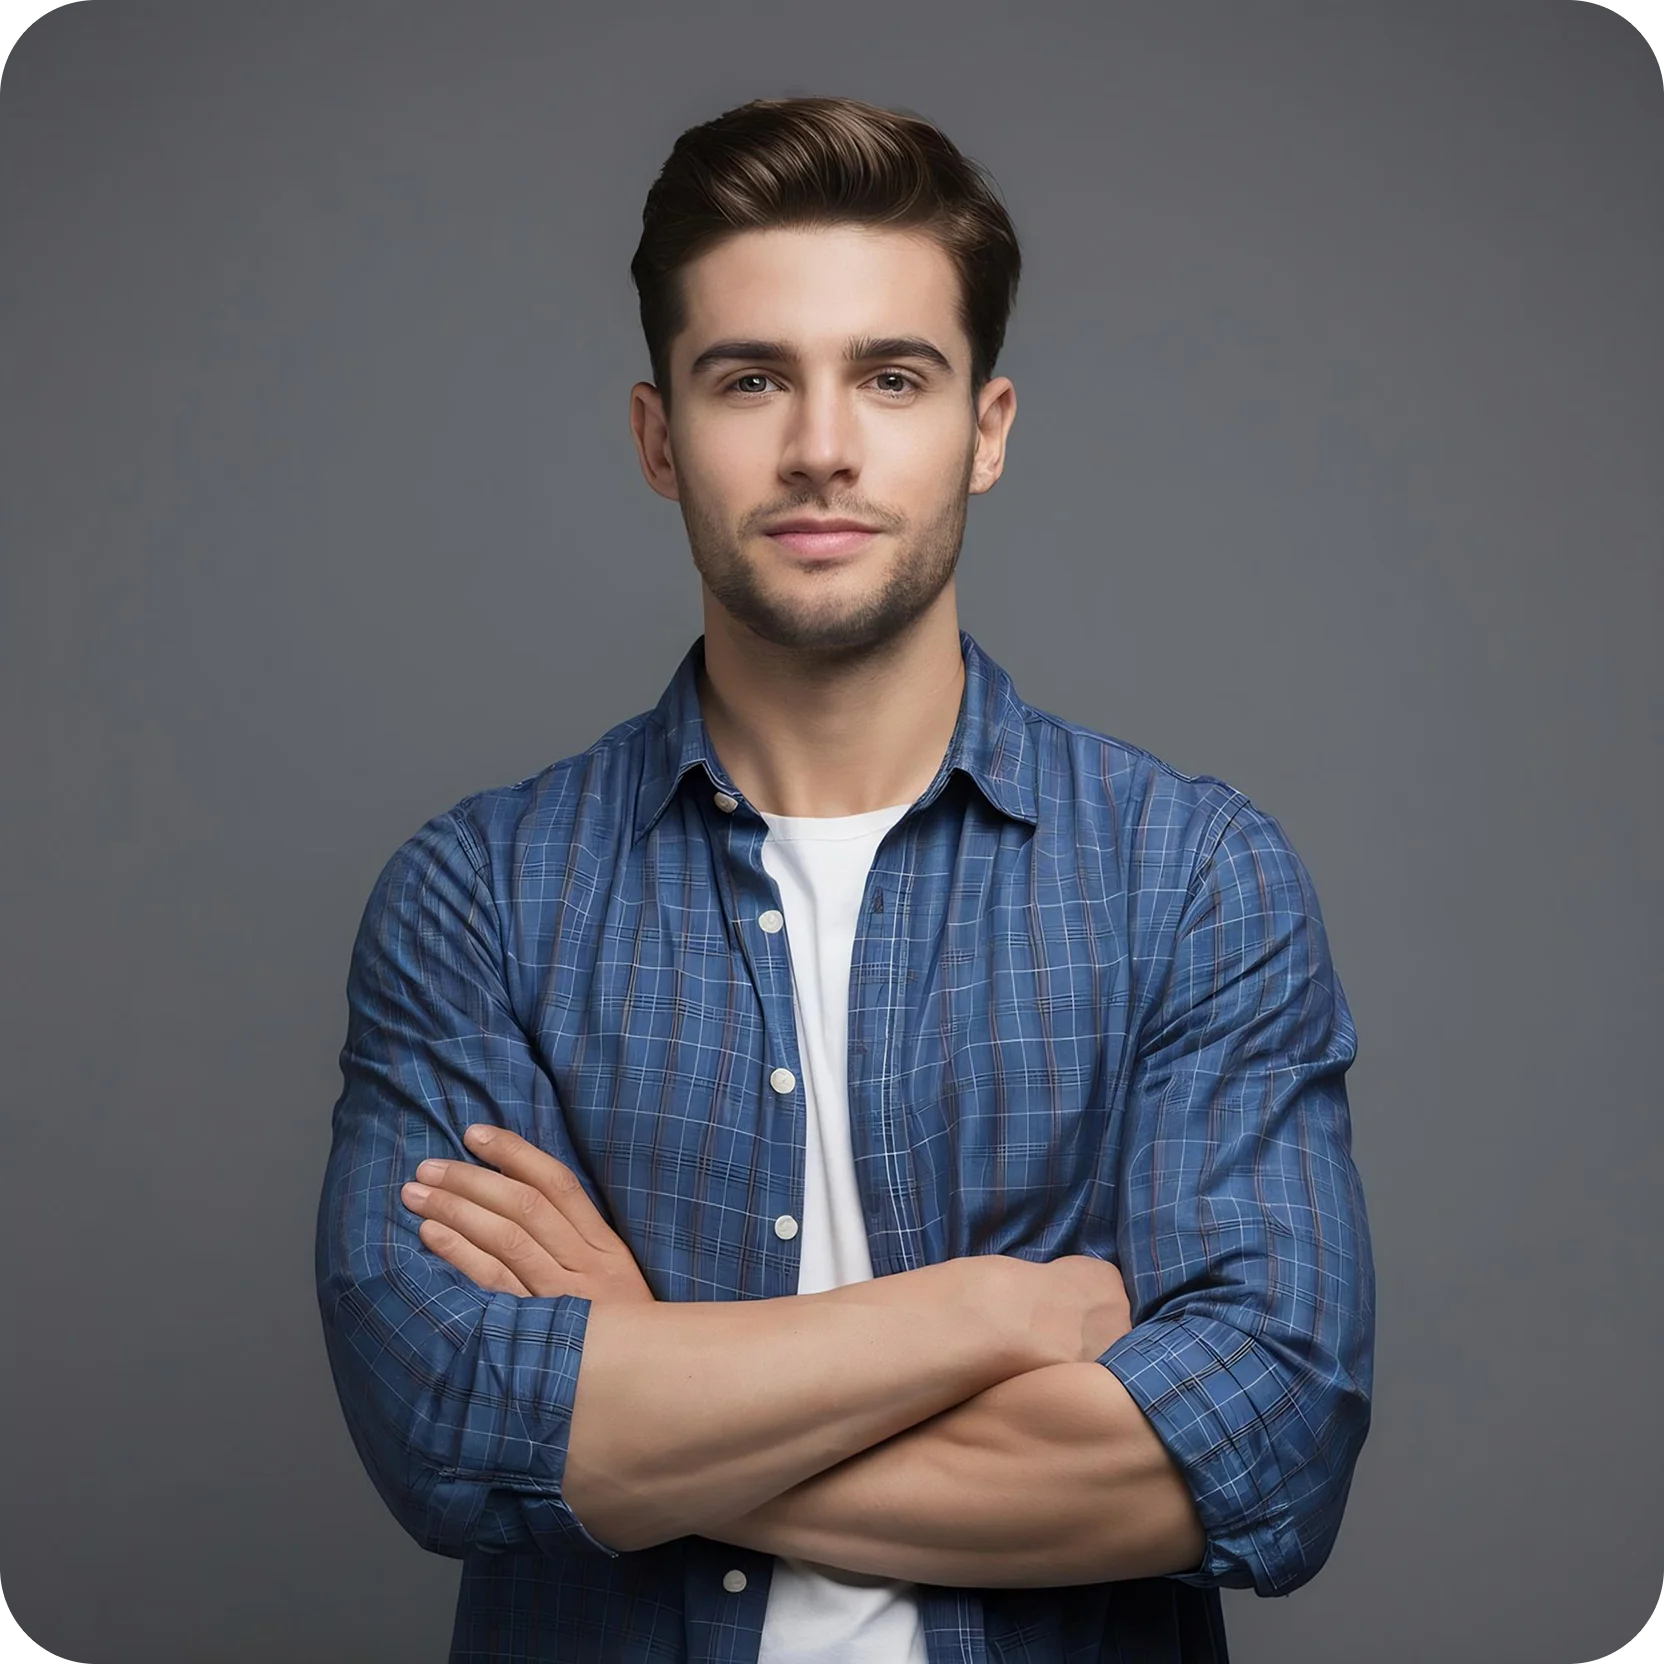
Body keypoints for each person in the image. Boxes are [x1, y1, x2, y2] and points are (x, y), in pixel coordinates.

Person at [314, 93, 1374, 1664]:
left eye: (893, 376)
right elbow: (452, 1422)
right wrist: (999, 1315)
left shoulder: (1191, 880)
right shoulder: (479, 896)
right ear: (659, 436)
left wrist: (650, 1385)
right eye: (752, 379)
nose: (822, 447)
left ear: (987, 430)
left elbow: (1261, 1450)